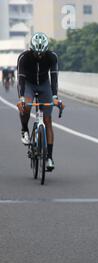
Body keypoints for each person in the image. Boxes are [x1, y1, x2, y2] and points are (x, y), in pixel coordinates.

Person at [16, 32, 63, 171]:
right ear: (32, 49)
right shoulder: (24, 57)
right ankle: (24, 128)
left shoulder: (51, 57)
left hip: (44, 85)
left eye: (42, 53)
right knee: (27, 106)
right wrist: (22, 99)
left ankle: (49, 157)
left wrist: (55, 97)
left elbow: (54, 77)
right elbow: (20, 79)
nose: (39, 56)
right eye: (37, 53)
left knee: (48, 121)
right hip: (29, 84)